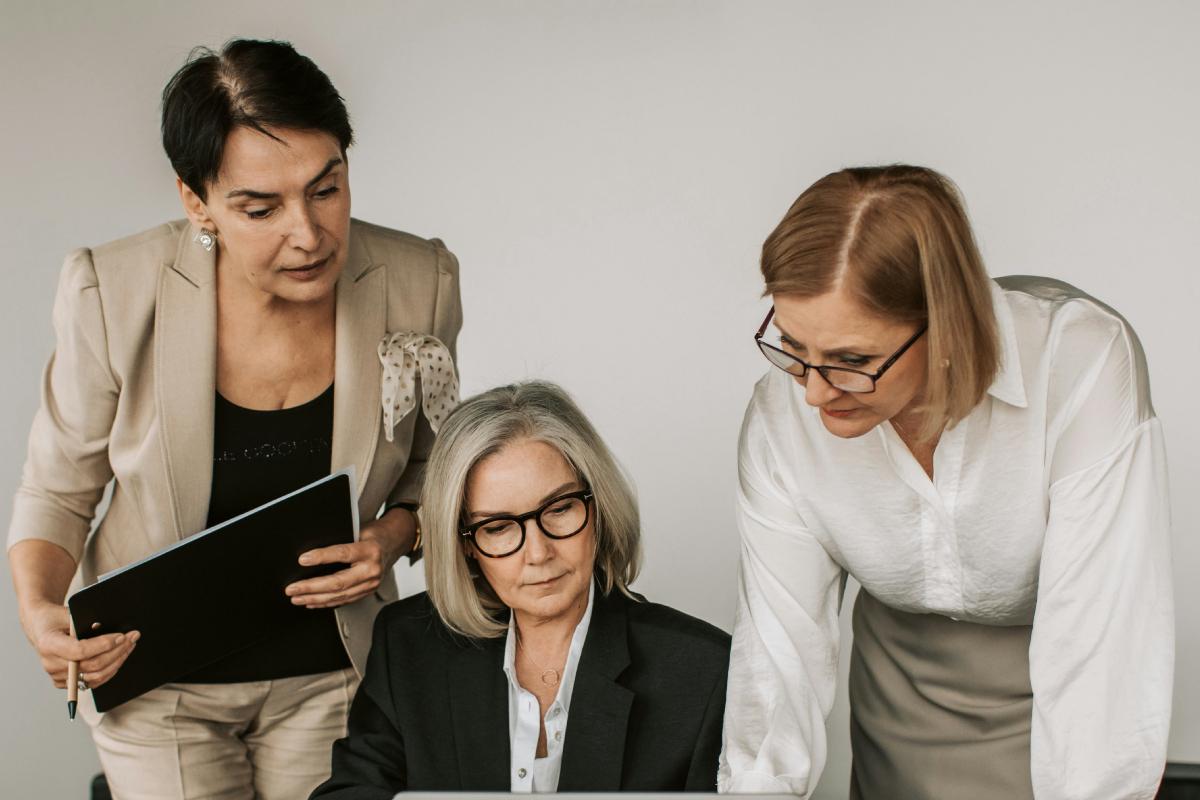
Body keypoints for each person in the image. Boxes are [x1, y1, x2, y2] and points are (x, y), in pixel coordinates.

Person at [7, 39, 462, 800]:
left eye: (326, 188)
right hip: (157, 684)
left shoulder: (422, 280)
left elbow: (437, 466)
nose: (309, 234)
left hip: (336, 673)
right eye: (260, 207)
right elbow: (57, 492)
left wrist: (390, 537)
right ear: (196, 201)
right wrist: (40, 612)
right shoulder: (109, 291)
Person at [718, 165, 1172, 799]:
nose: (815, 391)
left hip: (1060, 709)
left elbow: (1098, 659)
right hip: (898, 710)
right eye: (793, 346)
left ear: (946, 320)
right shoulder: (779, 414)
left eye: (852, 361)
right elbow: (777, 657)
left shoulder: (1079, 362)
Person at [311, 381, 730, 798]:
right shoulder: (408, 643)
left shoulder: (705, 669)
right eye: (497, 527)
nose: (538, 552)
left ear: (598, 506)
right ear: (466, 545)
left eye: (560, 508)